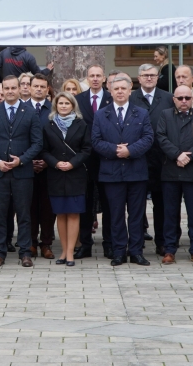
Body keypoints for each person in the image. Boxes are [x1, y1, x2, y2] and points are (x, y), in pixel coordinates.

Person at [92, 73, 154, 266]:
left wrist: (130, 151)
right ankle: (119, 251)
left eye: (123, 88)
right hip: (111, 173)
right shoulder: (101, 114)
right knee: (116, 215)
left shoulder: (141, 113)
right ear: (110, 91)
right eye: (116, 88)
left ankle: (136, 251)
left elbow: (148, 138)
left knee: (136, 214)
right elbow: (95, 141)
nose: (119, 91)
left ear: (130, 91)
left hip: (136, 172)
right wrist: (116, 151)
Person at [0, 75, 43, 267]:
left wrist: (22, 160)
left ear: (19, 89)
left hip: (22, 172)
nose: (9, 91)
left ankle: (25, 252)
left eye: (12, 88)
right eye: (6, 88)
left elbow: (37, 142)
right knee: (0, 213)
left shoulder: (30, 112)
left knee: (24, 213)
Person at [155, 85, 193, 264]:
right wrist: (177, 154)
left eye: (188, 98)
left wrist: (190, 156)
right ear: (174, 99)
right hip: (171, 171)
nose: (184, 101)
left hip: (192, 171)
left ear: (192, 100)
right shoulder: (165, 115)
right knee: (170, 213)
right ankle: (169, 249)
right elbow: (161, 137)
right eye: (180, 98)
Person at [41, 92, 91, 267]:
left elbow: (86, 149)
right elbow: (44, 150)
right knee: (60, 214)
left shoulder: (81, 124)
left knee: (73, 213)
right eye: (60, 103)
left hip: (75, 175)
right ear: (55, 105)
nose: (63, 106)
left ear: (72, 105)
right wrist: (55, 163)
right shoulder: (48, 125)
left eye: (66, 103)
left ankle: (70, 252)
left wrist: (72, 163)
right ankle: (63, 250)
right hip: (55, 175)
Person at [130, 63, 172, 257]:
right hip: (136, 159)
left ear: (157, 78)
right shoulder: (131, 98)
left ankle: (162, 242)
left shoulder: (167, 98)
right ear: (139, 78)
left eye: (152, 75)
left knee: (161, 204)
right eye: (145, 75)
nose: (149, 78)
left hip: (161, 159)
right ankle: (136, 243)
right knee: (135, 205)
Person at [76, 65, 111, 260]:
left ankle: (109, 244)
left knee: (108, 203)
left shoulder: (111, 98)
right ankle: (85, 244)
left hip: (107, 158)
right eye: (92, 76)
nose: (95, 79)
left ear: (104, 78)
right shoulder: (79, 100)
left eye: (99, 75)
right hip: (85, 159)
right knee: (86, 203)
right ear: (87, 78)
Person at [26, 74, 54, 259]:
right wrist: (29, 161)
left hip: (49, 166)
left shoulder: (54, 109)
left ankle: (46, 243)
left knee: (47, 207)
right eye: (35, 86)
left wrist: (47, 161)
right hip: (25, 165)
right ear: (29, 87)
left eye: (42, 87)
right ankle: (31, 242)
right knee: (29, 206)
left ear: (47, 89)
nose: (38, 89)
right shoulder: (21, 108)